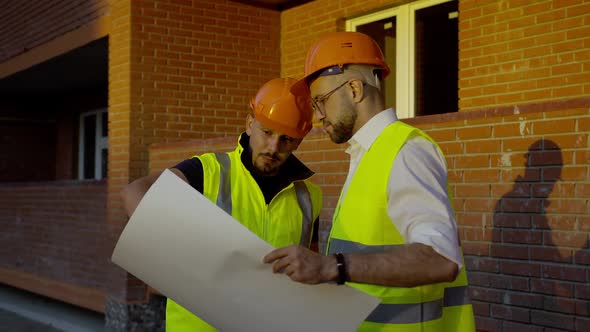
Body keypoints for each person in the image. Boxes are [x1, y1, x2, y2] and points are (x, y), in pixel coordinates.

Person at [263, 32, 476, 331]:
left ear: (353, 88)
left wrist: (330, 267)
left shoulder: (405, 150)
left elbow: (440, 259)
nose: (318, 117)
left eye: (321, 101)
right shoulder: (369, 154)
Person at [121, 77, 323, 331]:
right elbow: (134, 192)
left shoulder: (309, 196)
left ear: (299, 141)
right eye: (267, 132)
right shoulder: (208, 171)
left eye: (287, 139)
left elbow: (309, 265)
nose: (273, 147)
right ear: (250, 124)